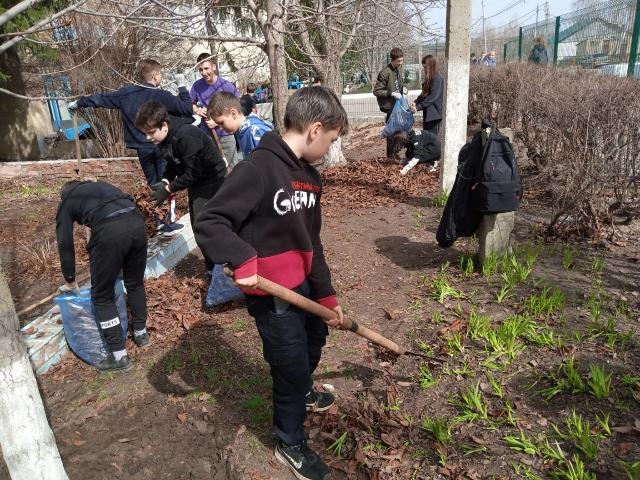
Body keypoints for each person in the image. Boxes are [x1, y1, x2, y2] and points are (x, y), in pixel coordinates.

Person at [193, 86, 348, 480]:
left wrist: (326, 294)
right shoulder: (257, 169)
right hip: (272, 295)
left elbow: (311, 241)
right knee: (289, 366)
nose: (330, 149)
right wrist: (243, 257)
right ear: (315, 130)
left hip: (306, 287)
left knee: (314, 341)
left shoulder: (310, 179)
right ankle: (290, 443)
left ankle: (305, 391)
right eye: (331, 140)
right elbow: (211, 222)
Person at [67, 59, 192, 236]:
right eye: (160, 74)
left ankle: (158, 221)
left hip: (141, 148)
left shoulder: (126, 94)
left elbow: (102, 98)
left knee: (152, 184)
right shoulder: (161, 95)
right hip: (159, 146)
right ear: (155, 76)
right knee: (165, 181)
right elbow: (186, 108)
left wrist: (79, 103)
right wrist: (181, 86)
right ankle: (168, 222)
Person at [56, 180, 150, 374]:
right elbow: (125, 205)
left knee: (101, 295)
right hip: (137, 221)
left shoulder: (67, 201)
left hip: (110, 230)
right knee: (134, 282)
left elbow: (65, 241)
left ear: (64, 196)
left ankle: (119, 357)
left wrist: (70, 279)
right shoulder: (100, 186)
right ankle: (141, 334)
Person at [134, 100, 228, 272]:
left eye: (151, 132)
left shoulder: (185, 136)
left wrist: (169, 189)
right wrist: (164, 181)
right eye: (145, 133)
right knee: (198, 224)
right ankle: (213, 268)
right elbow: (173, 162)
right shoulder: (164, 138)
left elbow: (194, 173)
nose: (148, 137)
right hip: (198, 182)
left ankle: (220, 267)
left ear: (164, 125)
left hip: (214, 181)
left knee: (205, 225)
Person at [190, 52, 242, 168]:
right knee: (212, 167)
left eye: (206, 68)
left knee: (231, 167)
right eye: (200, 70)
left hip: (226, 134)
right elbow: (191, 104)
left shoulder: (225, 85)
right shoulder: (197, 86)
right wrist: (198, 111)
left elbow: (236, 106)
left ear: (214, 66)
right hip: (207, 134)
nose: (204, 73)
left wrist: (218, 122)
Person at [207, 91, 274, 158]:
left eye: (221, 122)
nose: (220, 128)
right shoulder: (241, 131)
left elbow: (270, 162)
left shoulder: (256, 131)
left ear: (233, 113)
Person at [374, 47, 405, 157]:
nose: (400, 63)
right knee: (392, 131)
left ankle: (395, 153)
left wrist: (403, 89)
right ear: (391, 60)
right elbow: (377, 91)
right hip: (390, 106)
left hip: (398, 104)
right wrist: (391, 93)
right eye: (398, 61)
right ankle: (391, 155)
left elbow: (399, 83)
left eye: (401, 61)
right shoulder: (384, 73)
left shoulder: (398, 68)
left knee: (398, 131)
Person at [410, 55, 444, 135]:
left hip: (434, 116)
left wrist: (417, 108)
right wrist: (416, 102)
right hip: (429, 114)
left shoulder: (438, 78)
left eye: (425, 67)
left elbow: (432, 98)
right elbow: (424, 94)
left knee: (432, 141)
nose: (424, 69)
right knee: (427, 139)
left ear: (431, 66)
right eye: (423, 67)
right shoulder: (430, 77)